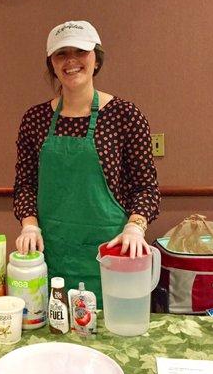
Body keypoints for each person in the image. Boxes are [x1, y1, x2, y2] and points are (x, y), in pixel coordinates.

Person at [13, 21, 160, 301]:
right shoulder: (35, 119)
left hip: (112, 256)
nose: (71, 61)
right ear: (52, 64)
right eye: (61, 54)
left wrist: (135, 227)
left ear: (96, 59)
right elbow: (25, 185)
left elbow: (146, 188)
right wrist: (29, 224)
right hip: (53, 256)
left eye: (80, 51)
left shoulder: (125, 116)